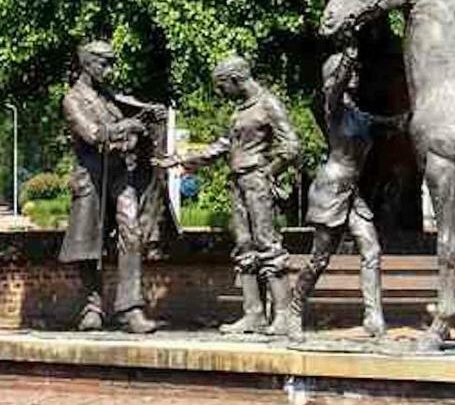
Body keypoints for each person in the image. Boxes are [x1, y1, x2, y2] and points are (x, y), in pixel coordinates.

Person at [156, 56, 300, 335]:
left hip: (256, 181)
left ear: (235, 79)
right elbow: (223, 145)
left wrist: (269, 172)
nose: (220, 92)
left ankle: (282, 315)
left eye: (222, 86)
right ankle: (253, 314)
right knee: (245, 246)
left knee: (267, 244)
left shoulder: (268, 104)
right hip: (238, 182)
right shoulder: (239, 111)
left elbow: (291, 146)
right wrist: (180, 159)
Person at [289, 44, 405, 340]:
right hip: (330, 190)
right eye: (348, 73)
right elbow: (337, 86)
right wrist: (348, 57)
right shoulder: (332, 107)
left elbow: (389, 124)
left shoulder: (358, 115)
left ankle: (373, 317)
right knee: (319, 259)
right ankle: (293, 308)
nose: (354, 76)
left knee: (372, 250)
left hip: (352, 194)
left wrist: (412, 116)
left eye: (354, 72)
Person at [59, 40, 171, 333]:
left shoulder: (111, 98)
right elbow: (92, 134)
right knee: (88, 243)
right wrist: (127, 127)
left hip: (120, 175)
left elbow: (130, 129)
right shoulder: (73, 99)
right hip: (91, 178)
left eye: (111, 63)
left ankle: (130, 309)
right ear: (87, 63)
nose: (109, 70)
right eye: (103, 63)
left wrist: (145, 122)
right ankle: (92, 308)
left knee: (131, 233)